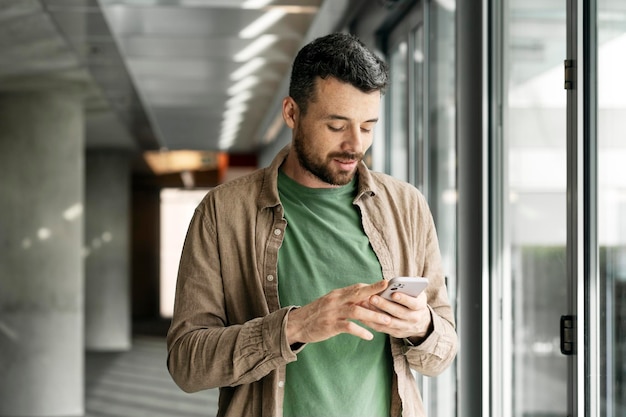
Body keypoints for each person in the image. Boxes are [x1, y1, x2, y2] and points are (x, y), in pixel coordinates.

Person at [166, 32, 457, 417]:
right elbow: (187, 364)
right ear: (291, 113)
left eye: (368, 126)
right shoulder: (223, 212)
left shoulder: (406, 206)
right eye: (337, 126)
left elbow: (442, 354)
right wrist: (296, 327)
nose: (355, 144)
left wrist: (422, 327)